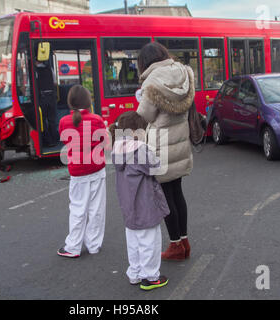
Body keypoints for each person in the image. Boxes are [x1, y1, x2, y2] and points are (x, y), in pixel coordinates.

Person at [136, 42, 195, 261]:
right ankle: (185, 241)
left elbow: (147, 115)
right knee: (177, 192)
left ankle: (175, 245)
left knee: (165, 196)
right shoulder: (183, 72)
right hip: (180, 141)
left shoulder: (152, 81)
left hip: (161, 144)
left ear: (145, 62)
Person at [110, 111, 170, 290]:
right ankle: (150, 277)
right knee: (150, 241)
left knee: (134, 241)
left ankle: (135, 273)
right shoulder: (140, 149)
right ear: (137, 131)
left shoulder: (117, 148)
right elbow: (157, 168)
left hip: (128, 206)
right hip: (145, 204)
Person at [57, 85, 108, 258]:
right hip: (97, 169)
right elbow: (106, 144)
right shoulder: (97, 119)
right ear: (88, 101)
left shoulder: (64, 122)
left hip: (77, 172)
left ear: (70, 102)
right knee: (97, 209)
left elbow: (64, 139)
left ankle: (73, 246)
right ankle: (94, 244)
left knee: (78, 209)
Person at [35, 57, 59, 147]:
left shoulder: (35, 71)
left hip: (42, 97)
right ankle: (55, 139)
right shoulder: (50, 69)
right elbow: (55, 83)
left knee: (43, 120)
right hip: (52, 97)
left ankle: (48, 141)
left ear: (36, 61)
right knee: (52, 120)